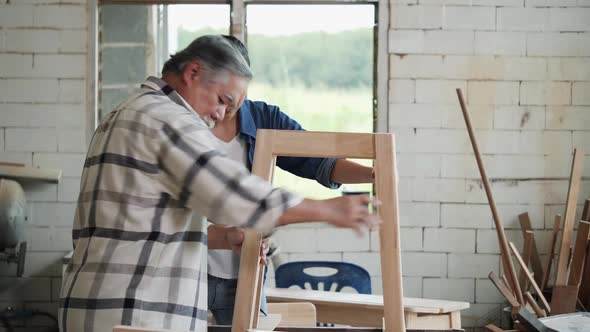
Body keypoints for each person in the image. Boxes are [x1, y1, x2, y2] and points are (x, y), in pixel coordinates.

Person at [58, 35, 379, 332]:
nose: (220, 114)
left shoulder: (129, 109)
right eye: (222, 99)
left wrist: (227, 236)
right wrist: (326, 210)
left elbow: (149, 220)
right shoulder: (165, 118)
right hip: (133, 309)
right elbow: (230, 195)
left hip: (108, 304)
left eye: (232, 106)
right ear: (194, 72)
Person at [206, 35, 374, 325]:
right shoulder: (185, 125)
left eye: (241, 90)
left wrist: (374, 173)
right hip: (191, 267)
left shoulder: (262, 118)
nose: (234, 102)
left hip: (244, 271)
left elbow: (320, 161)